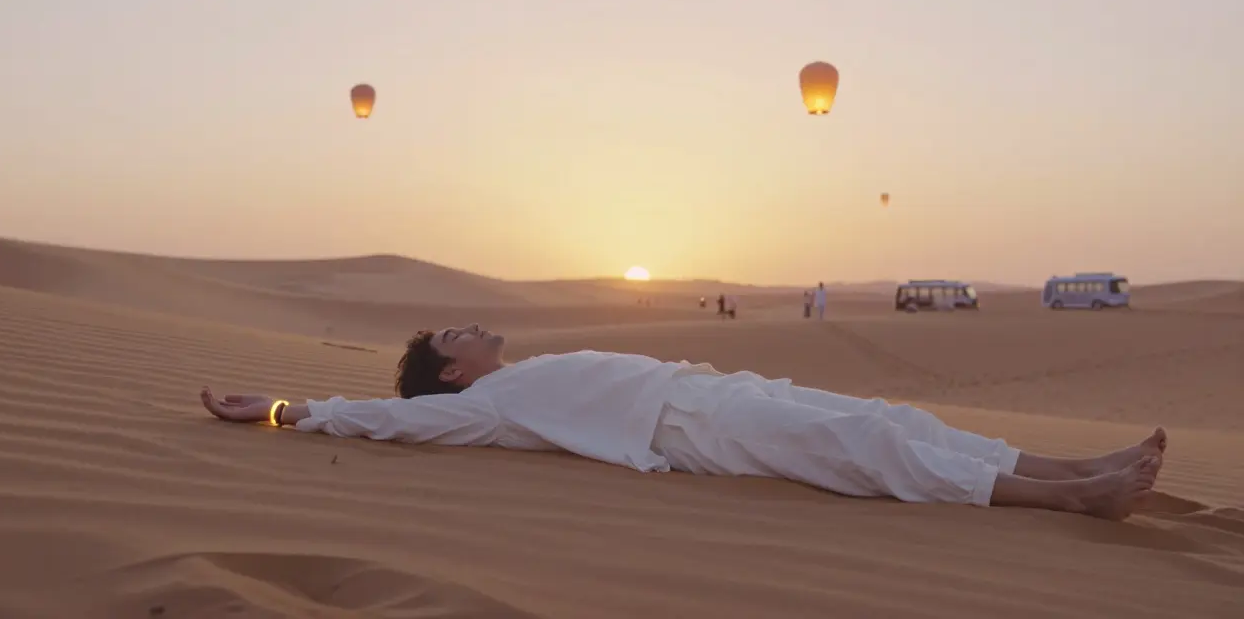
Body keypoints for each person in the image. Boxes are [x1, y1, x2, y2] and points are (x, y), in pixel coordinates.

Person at [200, 324, 1166, 521]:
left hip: (719, 389)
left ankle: (1076, 464)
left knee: (888, 412)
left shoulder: (523, 373)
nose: (475, 325)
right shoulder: (483, 405)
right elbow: (390, 421)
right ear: (453, 371)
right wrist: (288, 409)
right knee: (865, 449)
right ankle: (1069, 501)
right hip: (689, 433)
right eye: (458, 334)